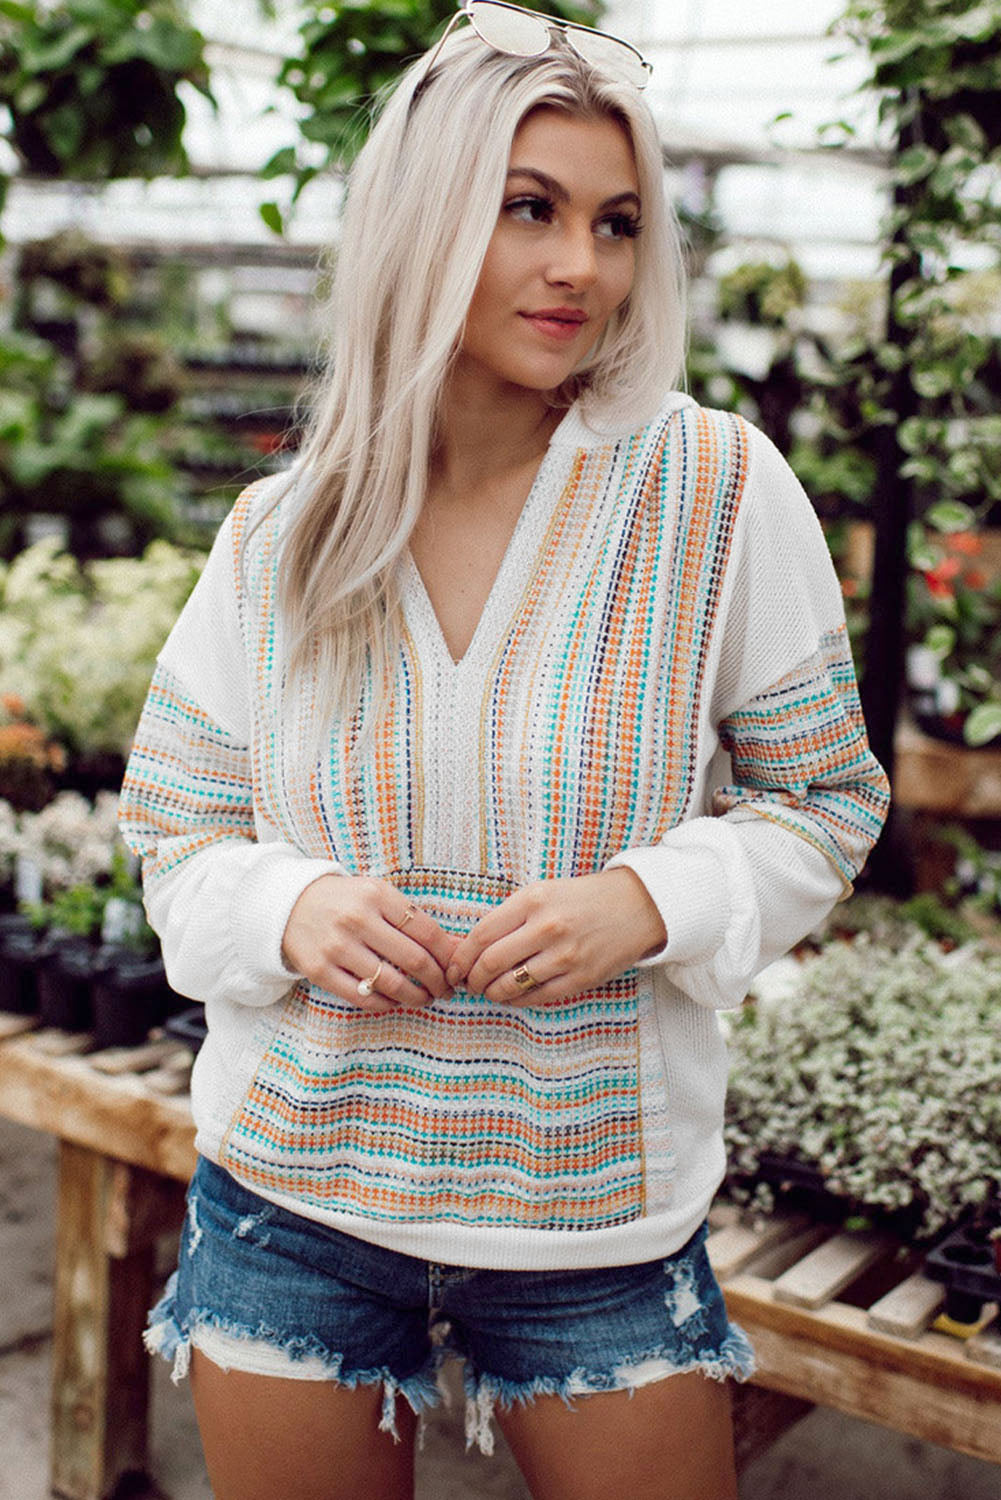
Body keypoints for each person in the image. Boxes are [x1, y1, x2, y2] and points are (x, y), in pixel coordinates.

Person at [119, 5, 890, 1497]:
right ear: (424, 218)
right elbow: (175, 824)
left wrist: (652, 898)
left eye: (614, 223)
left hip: (588, 1225)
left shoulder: (712, 489)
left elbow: (826, 797)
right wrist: (291, 908)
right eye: (526, 208)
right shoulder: (284, 531)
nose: (580, 268)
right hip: (293, 1204)